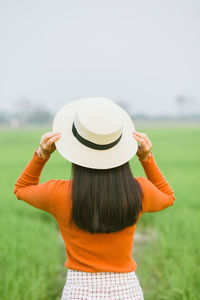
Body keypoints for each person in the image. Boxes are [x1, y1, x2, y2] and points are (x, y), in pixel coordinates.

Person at [14, 97, 175, 300]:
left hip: (79, 291)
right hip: (127, 291)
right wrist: (146, 158)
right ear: (120, 147)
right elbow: (168, 196)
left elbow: (22, 188)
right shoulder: (138, 190)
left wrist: (42, 154)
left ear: (76, 149)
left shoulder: (59, 193)